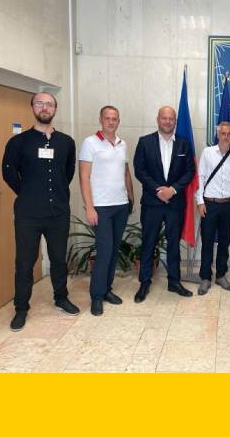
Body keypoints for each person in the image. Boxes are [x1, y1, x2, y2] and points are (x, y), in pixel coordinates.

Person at [2, 92, 80, 332]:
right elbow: (8, 172)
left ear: (55, 109)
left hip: (58, 212)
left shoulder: (66, 142)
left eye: (49, 104)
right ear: (33, 107)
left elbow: (68, 173)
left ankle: (61, 298)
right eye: (40, 103)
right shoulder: (18, 142)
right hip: (28, 214)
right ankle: (21, 308)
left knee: (58, 258)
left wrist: (55, 193)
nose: (44, 107)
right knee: (25, 262)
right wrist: (27, 193)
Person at [133, 106, 195, 301]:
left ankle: (174, 282)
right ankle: (144, 282)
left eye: (171, 118)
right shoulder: (145, 142)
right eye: (164, 118)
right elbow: (139, 170)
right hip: (152, 202)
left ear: (175, 121)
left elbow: (190, 171)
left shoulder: (184, 144)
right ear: (158, 119)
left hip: (175, 203)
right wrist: (158, 190)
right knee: (148, 242)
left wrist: (173, 189)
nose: (168, 121)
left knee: (174, 244)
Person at [78, 106, 134, 316]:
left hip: (120, 205)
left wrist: (130, 197)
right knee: (104, 251)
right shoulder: (90, 143)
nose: (111, 122)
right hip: (100, 208)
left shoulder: (122, 144)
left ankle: (107, 289)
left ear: (118, 121)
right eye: (107, 118)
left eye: (115, 119)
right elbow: (84, 177)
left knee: (113, 250)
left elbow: (125, 172)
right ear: (100, 120)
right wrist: (90, 207)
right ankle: (96, 296)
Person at [196, 122, 230, 295]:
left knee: (225, 242)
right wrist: (200, 202)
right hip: (209, 204)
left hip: (229, 205)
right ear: (218, 135)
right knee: (207, 242)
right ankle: (205, 277)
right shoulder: (207, 152)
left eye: (229, 134)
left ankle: (221, 275)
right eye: (223, 133)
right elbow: (200, 177)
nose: (226, 136)